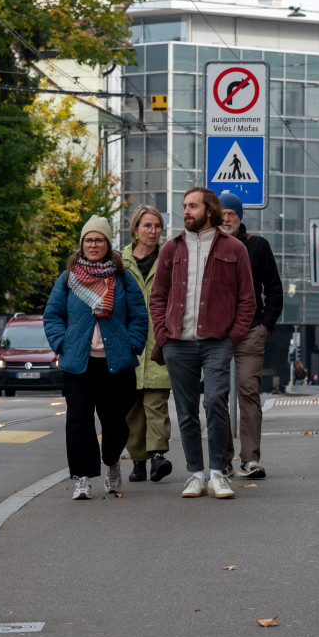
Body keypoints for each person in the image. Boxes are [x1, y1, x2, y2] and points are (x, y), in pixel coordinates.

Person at [149, 187, 255, 500]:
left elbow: (248, 299)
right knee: (186, 411)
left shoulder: (235, 248)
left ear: (209, 210)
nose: (186, 211)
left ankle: (218, 473)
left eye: (193, 206)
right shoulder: (171, 249)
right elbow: (158, 296)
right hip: (177, 343)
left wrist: (232, 336)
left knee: (216, 403)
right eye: (184, 206)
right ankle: (196, 474)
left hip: (217, 342)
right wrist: (164, 335)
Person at [44, 215, 148, 501]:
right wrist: (62, 343)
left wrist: (132, 344)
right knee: (79, 420)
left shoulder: (122, 278)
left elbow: (139, 315)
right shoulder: (68, 279)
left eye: (99, 239)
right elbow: (52, 315)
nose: (93, 244)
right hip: (79, 364)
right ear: (81, 244)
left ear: (107, 244)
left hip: (116, 364)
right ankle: (82, 477)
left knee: (115, 422)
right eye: (88, 240)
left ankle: (112, 462)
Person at [218, 191, 282, 480]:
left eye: (231, 213)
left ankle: (250, 460)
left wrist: (265, 324)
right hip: (216, 333)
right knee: (216, 396)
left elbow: (275, 289)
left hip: (251, 330)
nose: (226, 218)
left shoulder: (258, 245)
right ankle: (222, 460)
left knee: (248, 392)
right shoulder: (207, 246)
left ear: (240, 216)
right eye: (221, 213)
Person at [122, 205, 174, 483]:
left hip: (160, 342)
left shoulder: (169, 259)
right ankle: (138, 461)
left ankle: (158, 457)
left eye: (157, 226)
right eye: (147, 226)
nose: (153, 231)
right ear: (135, 229)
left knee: (156, 405)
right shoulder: (119, 262)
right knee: (132, 411)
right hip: (128, 344)